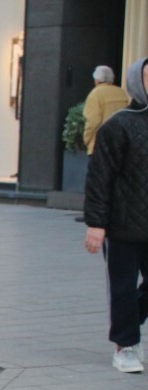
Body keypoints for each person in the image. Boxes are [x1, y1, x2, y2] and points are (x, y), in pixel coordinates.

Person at [84, 57, 148, 373]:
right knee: (122, 287)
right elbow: (100, 177)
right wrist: (97, 224)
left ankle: (128, 326)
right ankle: (126, 347)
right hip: (124, 226)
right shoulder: (119, 125)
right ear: (138, 82)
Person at [84, 66, 130, 155]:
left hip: (100, 145)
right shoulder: (121, 92)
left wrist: (87, 139)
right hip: (119, 144)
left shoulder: (95, 94)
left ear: (97, 80)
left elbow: (92, 122)